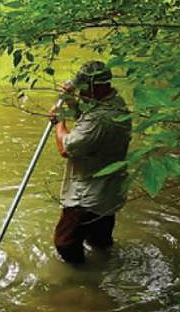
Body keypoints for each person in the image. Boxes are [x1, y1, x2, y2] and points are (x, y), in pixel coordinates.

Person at [49, 61, 132, 264]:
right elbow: (87, 122)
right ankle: (105, 267)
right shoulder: (114, 103)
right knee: (99, 240)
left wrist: (58, 122)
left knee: (65, 243)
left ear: (97, 87)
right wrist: (70, 103)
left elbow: (66, 149)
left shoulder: (101, 118)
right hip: (108, 192)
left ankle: (81, 280)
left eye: (83, 88)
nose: (80, 92)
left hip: (87, 196)